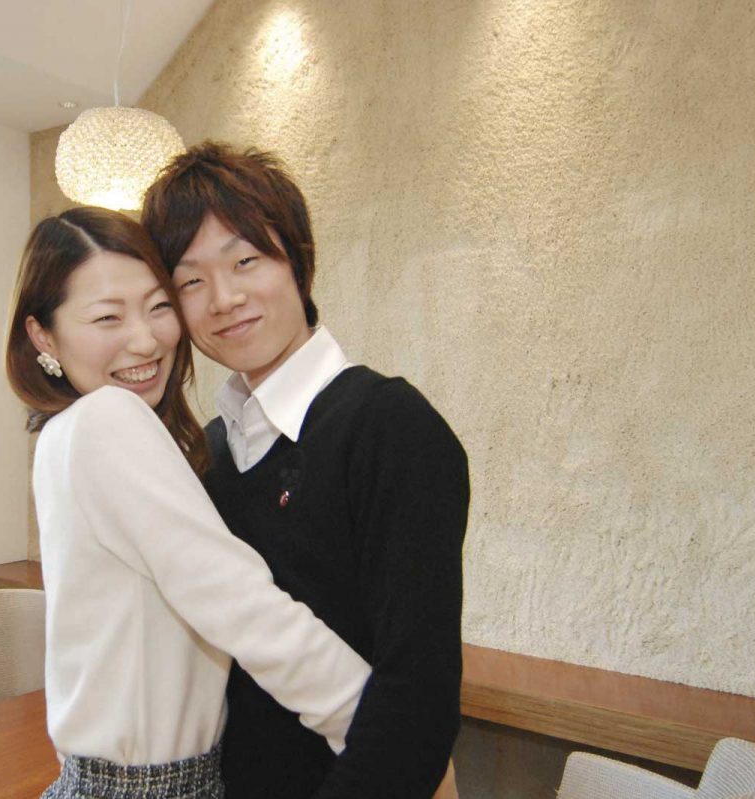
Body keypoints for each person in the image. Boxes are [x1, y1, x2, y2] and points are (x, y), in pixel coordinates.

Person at [5, 206, 372, 799]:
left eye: (159, 306)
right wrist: (383, 731)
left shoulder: (64, 433)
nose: (145, 339)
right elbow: (238, 600)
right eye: (107, 317)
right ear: (42, 335)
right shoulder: (106, 419)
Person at [141, 142, 470, 799]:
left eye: (245, 260)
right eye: (191, 281)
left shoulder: (390, 427)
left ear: (298, 261)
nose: (224, 298)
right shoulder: (209, 452)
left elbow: (417, 702)